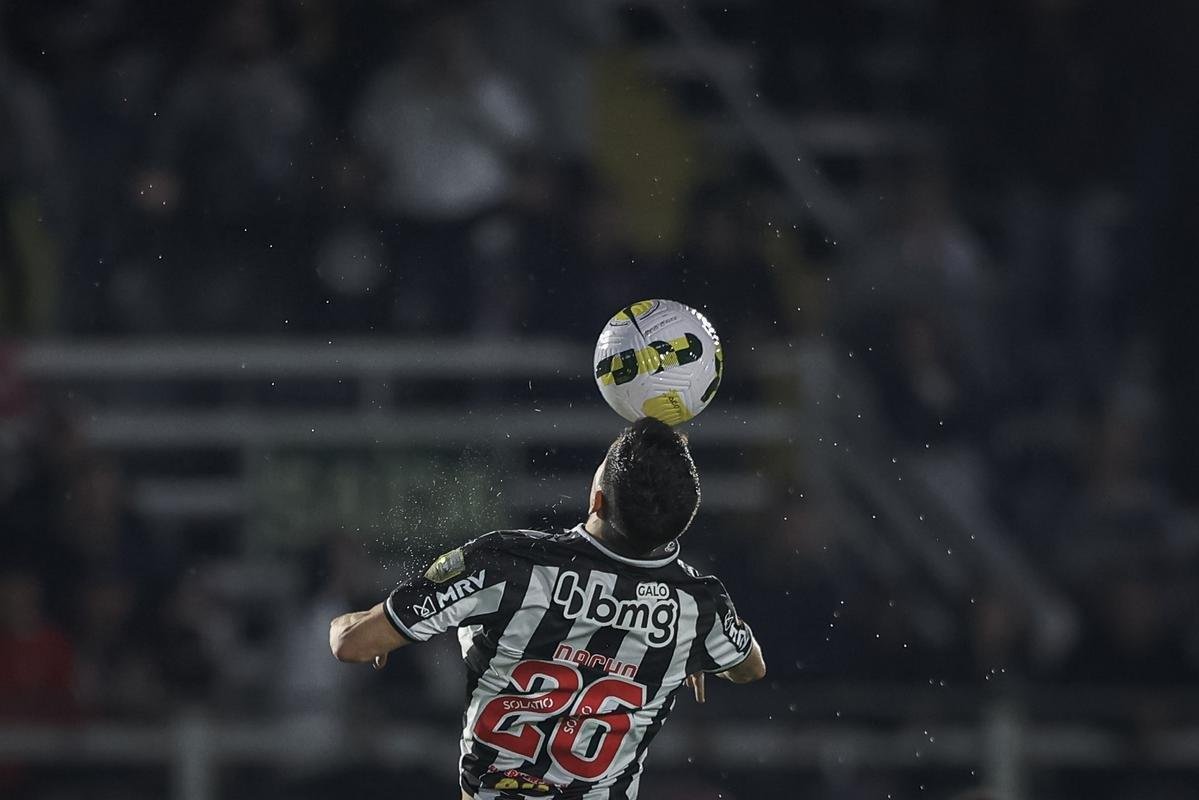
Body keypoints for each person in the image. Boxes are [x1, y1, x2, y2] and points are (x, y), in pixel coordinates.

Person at [329, 417, 766, 799]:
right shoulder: (697, 605)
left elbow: (352, 644)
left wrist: (349, 622)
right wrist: (689, 647)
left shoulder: (508, 563)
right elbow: (750, 668)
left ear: (597, 500)